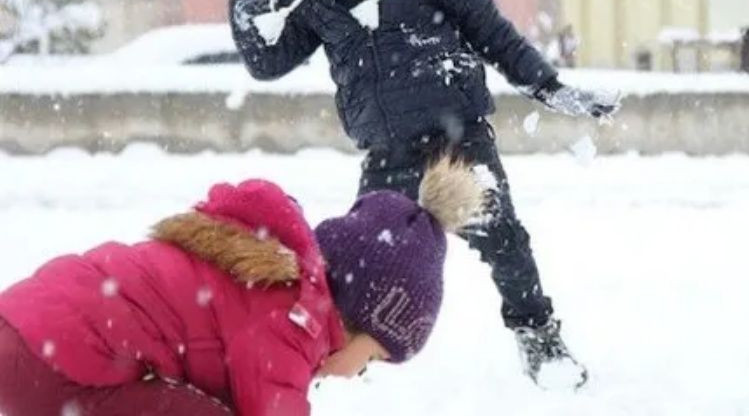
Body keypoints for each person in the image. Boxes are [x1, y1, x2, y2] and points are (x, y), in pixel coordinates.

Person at [212, 0, 619, 388]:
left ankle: (539, 338)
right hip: (387, 152)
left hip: (459, 142)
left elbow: (491, 32)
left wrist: (548, 86)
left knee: (505, 241)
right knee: (357, 264)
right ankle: (334, 350)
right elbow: (267, 59)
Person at [0, 159, 483, 415]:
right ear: (355, 315)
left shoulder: (273, 280)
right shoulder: (293, 320)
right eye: (373, 358)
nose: (359, 373)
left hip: (26, 332)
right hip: (50, 368)